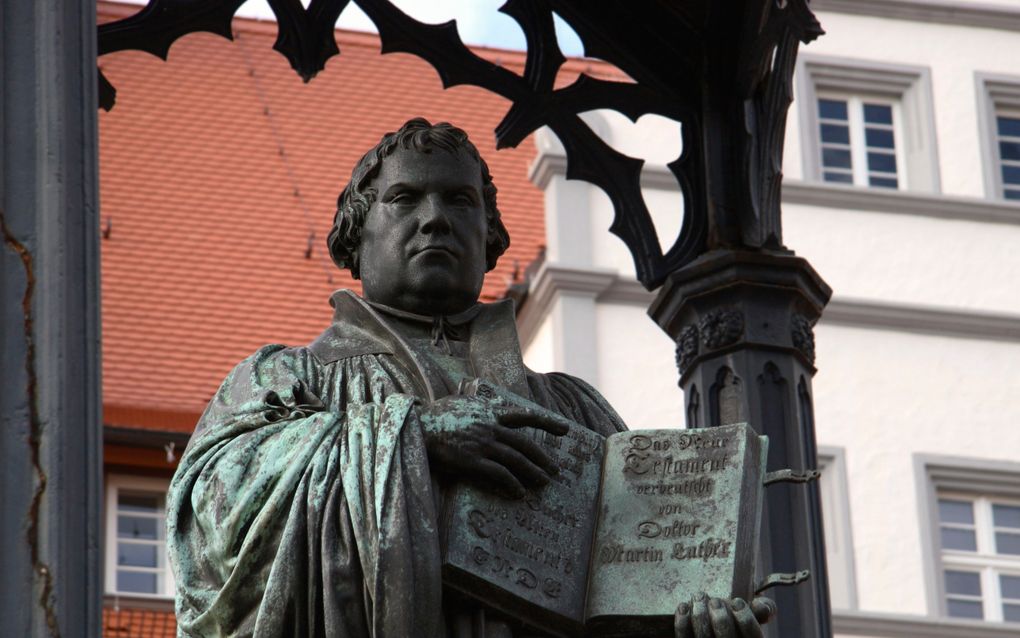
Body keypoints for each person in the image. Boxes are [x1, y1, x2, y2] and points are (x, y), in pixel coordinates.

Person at [167, 118, 773, 637]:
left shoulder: (575, 409)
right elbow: (210, 533)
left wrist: (686, 624)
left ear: (489, 235)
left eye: (460, 201)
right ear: (356, 234)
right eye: (405, 199)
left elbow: (622, 599)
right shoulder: (287, 381)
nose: (435, 219)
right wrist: (414, 435)